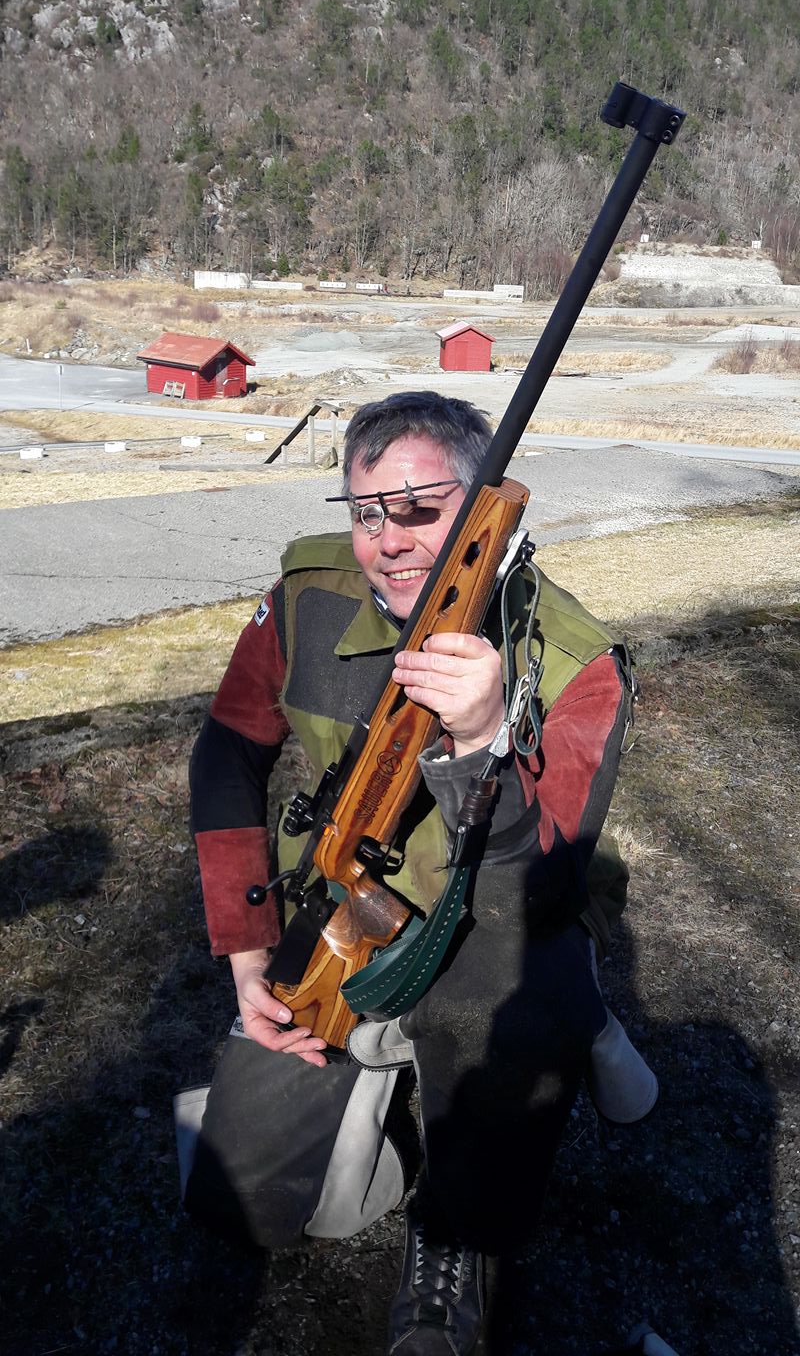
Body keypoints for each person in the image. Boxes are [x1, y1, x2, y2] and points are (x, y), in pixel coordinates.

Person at [180, 390, 657, 1356]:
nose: (388, 542)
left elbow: (542, 882)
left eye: (421, 510)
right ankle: (397, 1084)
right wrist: (246, 945)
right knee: (244, 1202)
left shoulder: (576, 662)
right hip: (347, 909)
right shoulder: (307, 595)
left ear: (481, 518)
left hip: (502, 919)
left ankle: (455, 1226)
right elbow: (227, 750)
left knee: (507, 1033)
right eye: (366, 513)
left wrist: (482, 741)